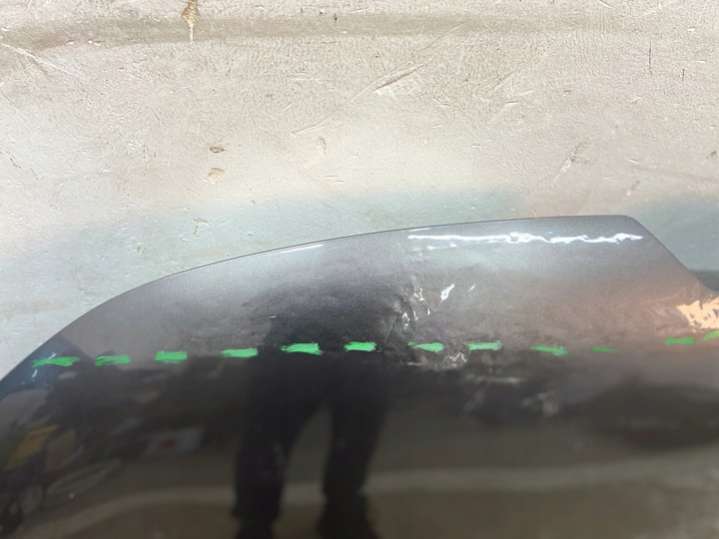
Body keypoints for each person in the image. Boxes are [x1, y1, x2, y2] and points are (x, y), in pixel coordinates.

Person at [233, 292, 394, 539]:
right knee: (268, 438)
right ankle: (257, 522)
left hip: (355, 319)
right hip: (299, 317)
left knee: (354, 437)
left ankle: (342, 515)